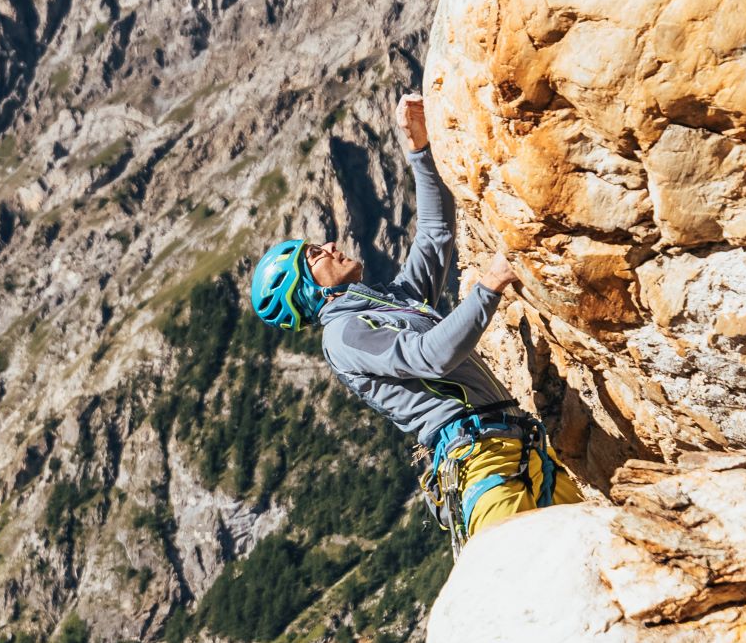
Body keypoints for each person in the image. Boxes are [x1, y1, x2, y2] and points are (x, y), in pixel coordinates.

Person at [247, 92, 580, 551]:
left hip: (514, 446)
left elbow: (436, 234)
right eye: (313, 256)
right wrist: (490, 284)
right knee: (525, 566)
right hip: (480, 459)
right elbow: (432, 357)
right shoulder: (343, 336)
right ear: (308, 289)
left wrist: (420, 151)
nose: (327, 246)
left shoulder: (390, 304)